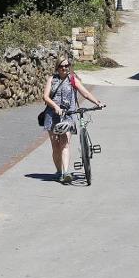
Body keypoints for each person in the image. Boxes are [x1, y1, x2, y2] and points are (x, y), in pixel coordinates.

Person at [41, 57, 103, 185]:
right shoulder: (52, 80)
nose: (64, 68)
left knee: (65, 144)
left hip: (68, 115)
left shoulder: (73, 79)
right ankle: (58, 171)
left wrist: (97, 102)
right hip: (52, 115)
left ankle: (65, 173)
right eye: (62, 66)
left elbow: (85, 93)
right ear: (57, 67)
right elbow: (45, 97)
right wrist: (56, 107)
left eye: (67, 65)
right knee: (55, 146)